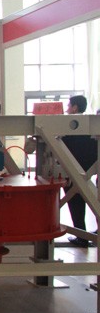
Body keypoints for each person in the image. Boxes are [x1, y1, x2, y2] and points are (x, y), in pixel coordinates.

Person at [62, 94, 97, 247]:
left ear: (75, 107)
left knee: (75, 203)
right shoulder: (90, 126)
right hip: (89, 170)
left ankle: (81, 235)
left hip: (72, 171)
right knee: (94, 201)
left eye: (69, 106)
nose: (67, 109)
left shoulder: (68, 127)